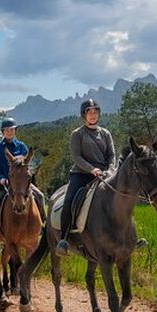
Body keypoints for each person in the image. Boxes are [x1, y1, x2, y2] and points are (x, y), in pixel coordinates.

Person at [55, 99, 116, 256]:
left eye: (95, 112)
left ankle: (126, 235)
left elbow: (111, 155)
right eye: (89, 112)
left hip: (104, 174)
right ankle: (64, 239)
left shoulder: (106, 133)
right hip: (81, 174)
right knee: (69, 200)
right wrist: (92, 169)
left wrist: (110, 170)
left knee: (122, 197)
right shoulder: (77, 134)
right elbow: (77, 157)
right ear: (84, 115)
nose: (93, 115)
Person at [0, 118, 45, 237]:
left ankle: (42, 225)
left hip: (21, 183)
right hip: (4, 181)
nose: (10, 132)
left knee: (40, 196)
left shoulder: (22, 146)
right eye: (7, 130)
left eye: (12, 129)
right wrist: (0, 178)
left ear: (15, 130)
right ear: (3, 132)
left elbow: (28, 166)